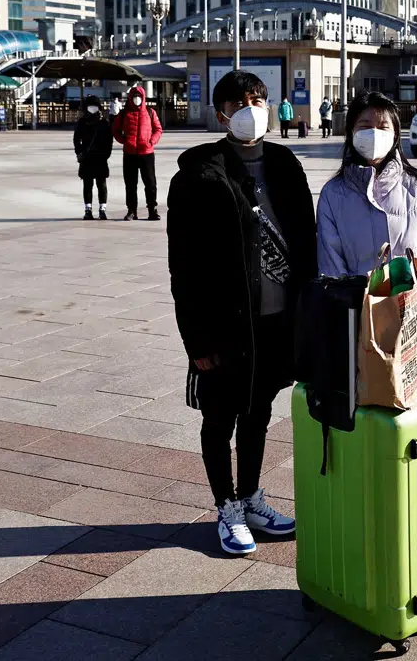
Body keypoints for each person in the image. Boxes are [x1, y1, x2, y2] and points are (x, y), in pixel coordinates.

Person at [167, 69, 315, 556]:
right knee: (219, 417)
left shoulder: (285, 164)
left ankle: (251, 497)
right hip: (225, 324)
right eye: (240, 103)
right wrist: (196, 340)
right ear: (222, 114)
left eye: (258, 99)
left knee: (258, 413)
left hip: (276, 321)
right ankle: (226, 506)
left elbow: (306, 241)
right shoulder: (197, 175)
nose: (252, 109)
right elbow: (183, 266)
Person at [318, 91, 417, 341]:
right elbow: (330, 265)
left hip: (414, 319)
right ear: (351, 132)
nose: (374, 133)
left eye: (382, 126)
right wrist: (344, 321)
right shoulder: (333, 194)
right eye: (365, 126)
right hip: (359, 325)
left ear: (396, 134)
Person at [113, 85, 163, 220]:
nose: (137, 99)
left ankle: (152, 210)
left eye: (139, 96)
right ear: (130, 98)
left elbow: (158, 129)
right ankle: (131, 210)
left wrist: (151, 141)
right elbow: (115, 130)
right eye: (134, 96)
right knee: (130, 184)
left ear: (143, 97)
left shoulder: (150, 112)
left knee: (150, 183)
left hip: (147, 153)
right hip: (129, 154)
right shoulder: (124, 113)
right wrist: (124, 141)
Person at [73, 94, 114, 220]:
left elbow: (109, 141)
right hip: (87, 158)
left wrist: (106, 154)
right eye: (90, 106)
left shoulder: (104, 123)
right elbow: (76, 139)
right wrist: (79, 152)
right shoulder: (82, 122)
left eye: (95, 106)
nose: (92, 108)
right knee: (87, 184)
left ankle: (102, 209)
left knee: (102, 184)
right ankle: (88, 210)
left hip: (101, 157)